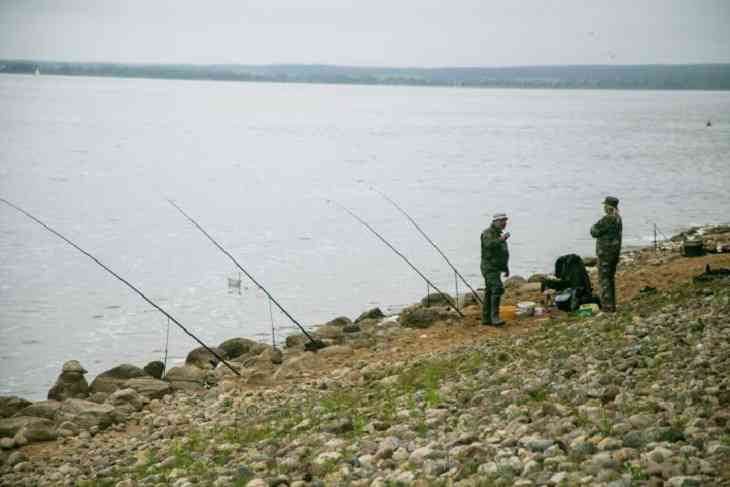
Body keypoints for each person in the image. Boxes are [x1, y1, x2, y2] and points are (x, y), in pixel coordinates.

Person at [590, 196, 623, 312]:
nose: (604, 207)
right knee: (610, 280)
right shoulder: (618, 218)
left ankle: (607, 308)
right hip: (614, 254)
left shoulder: (607, 219)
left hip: (605, 255)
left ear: (609, 207)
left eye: (605, 205)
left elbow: (593, 231)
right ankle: (611, 306)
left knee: (604, 281)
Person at [481, 213, 510, 326]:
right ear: (495, 222)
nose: (504, 223)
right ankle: (495, 317)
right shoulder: (487, 233)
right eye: (502, 221)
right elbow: (489, 245)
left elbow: (502, 253)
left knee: (489, 291)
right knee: (497, 289)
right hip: (489, 267)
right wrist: (501, 239)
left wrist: (505, 268)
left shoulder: (498, 234)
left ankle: (486, 318)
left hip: (496, 267)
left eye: (505, 221)